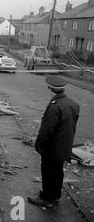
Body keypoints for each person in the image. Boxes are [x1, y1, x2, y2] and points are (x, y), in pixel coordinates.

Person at [28, 76, 80, 208]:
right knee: (58, 172)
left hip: (52, 147)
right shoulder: (73, 104)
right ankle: (55, 196)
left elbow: (47, 130)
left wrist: (39, 145)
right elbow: (72, 125)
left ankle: (47, 199)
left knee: (48, 172)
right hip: (65, 146)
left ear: (50, 89)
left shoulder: (54, 106)